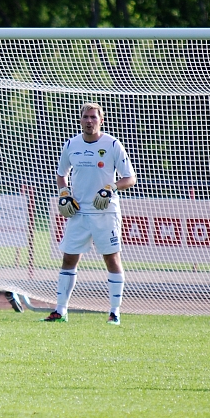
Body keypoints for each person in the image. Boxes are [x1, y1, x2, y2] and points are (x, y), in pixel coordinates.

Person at [44, 102, 137, 325]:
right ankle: (60, 311)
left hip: (105, 212)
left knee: (111, 259)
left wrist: (111, 187)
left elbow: (130, 178)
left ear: (101, 120)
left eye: (94, 117)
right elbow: (61, 174)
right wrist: (64, 192)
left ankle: (115, 312)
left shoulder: (113, 144)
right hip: (79, 212)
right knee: (68, 259)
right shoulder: (71, 144)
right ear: (80, 120)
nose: (89, 121)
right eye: (85, 117)